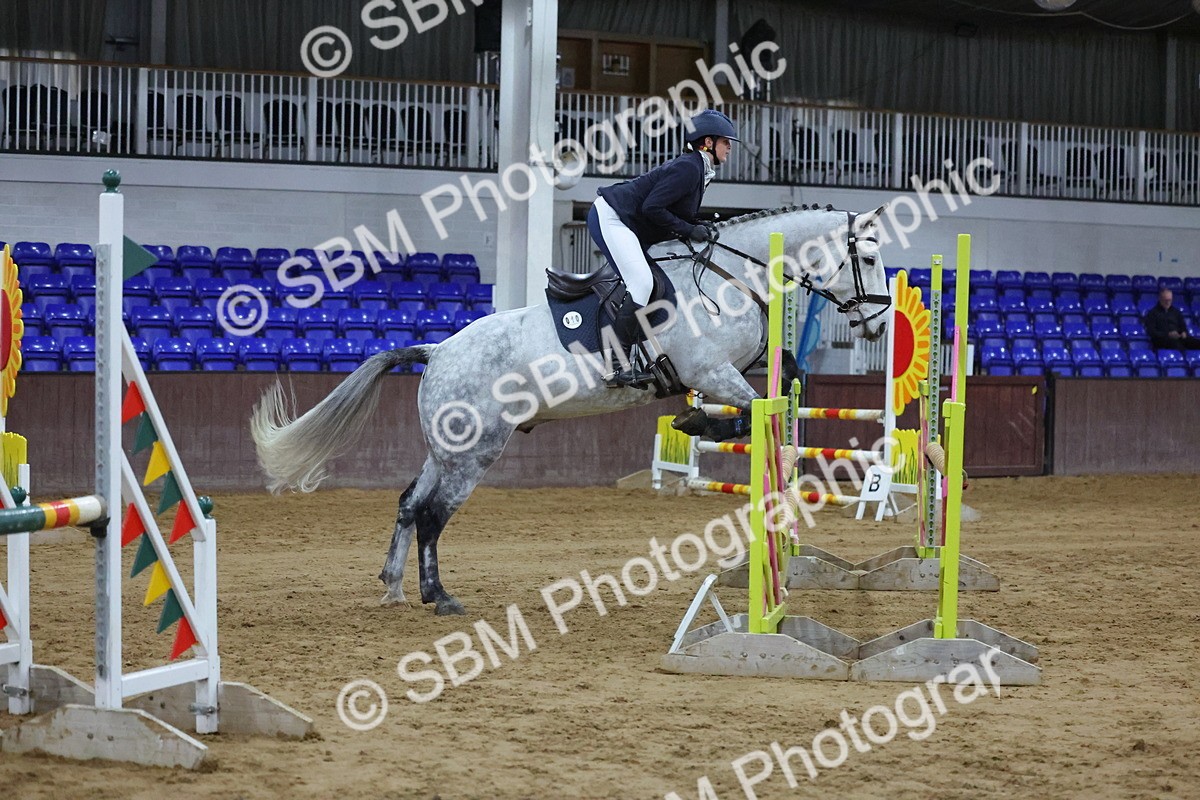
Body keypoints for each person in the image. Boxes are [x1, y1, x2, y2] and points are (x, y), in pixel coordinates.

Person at [587, 109, 738, 356]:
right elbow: (652, 208)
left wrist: (699, 225)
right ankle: (616, 361)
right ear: (708, 142)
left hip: (630, 222)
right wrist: (689, 229)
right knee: (642, 283)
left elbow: (675, 211)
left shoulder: (699, 169)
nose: (729, 147)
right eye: (725, 141)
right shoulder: (689, 167)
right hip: (612, 216)